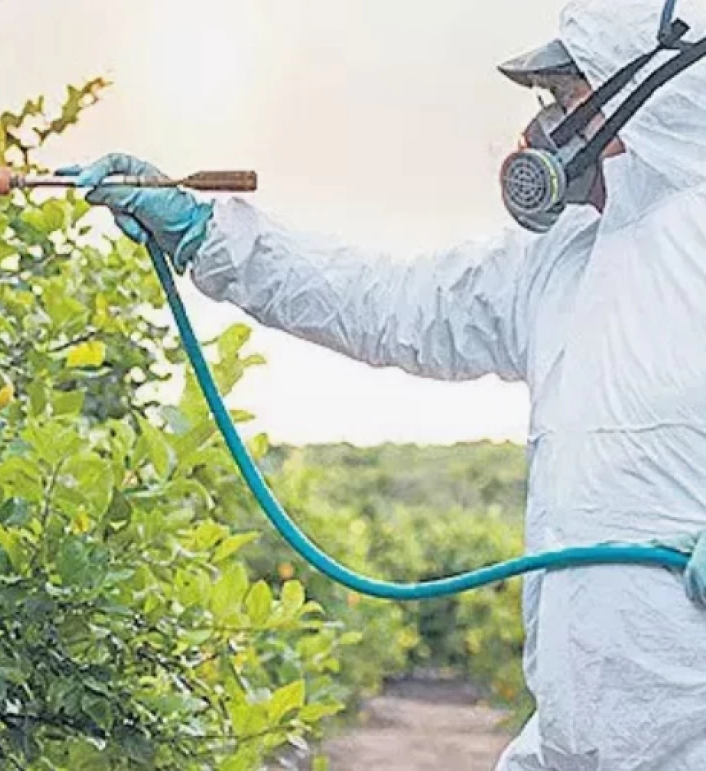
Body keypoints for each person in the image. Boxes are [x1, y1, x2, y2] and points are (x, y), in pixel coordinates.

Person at [74, 0, 706, 768]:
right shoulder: (563, 264)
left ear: (648, 94)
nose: (541, 129)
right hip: (576, 745)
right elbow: (395, 302)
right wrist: (212, 237)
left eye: (565, 98)